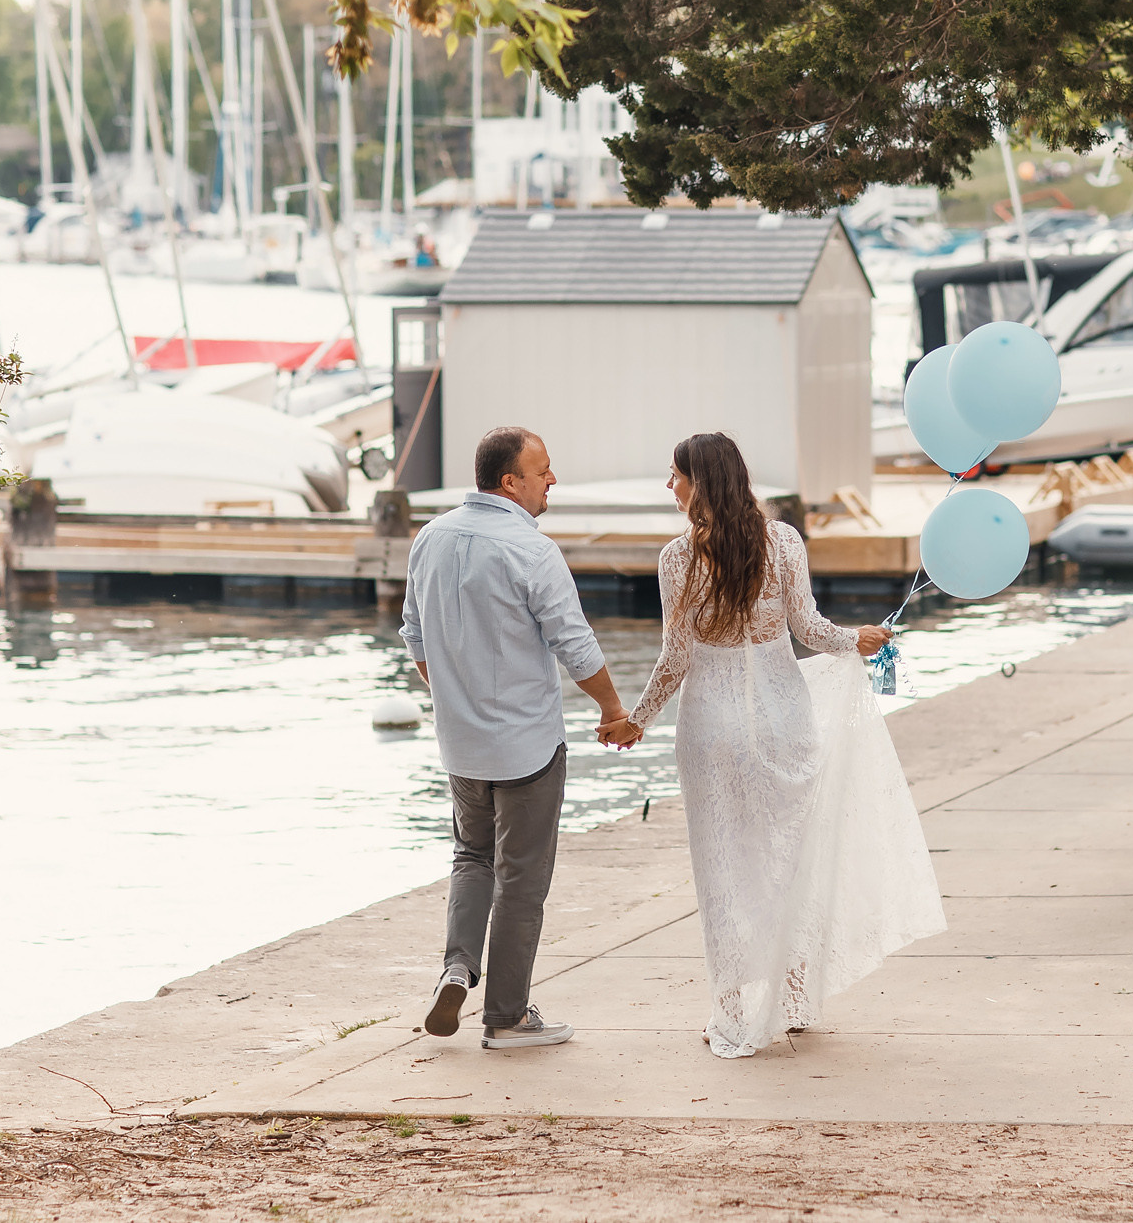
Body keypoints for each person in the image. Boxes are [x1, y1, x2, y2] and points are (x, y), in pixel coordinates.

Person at [622, 432, 946, 1058]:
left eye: (675, 476)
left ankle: (735, 1008)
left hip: (712, 728)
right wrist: (856, 638)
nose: (671, 487)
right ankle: (793, 998)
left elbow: (675, 657)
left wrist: (636, 720)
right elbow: (809, 629)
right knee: (786, 858)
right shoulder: (784, 542)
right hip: (783, 718)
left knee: (722, 866)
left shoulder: (677, 558)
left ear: (700, 483)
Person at [401, 425, 636, 1050]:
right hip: (526, 745)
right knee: (522, 878)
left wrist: (455, 697)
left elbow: (414, 636)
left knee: (471, 858)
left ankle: (457, 968)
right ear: (512, 482)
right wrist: (614, 708)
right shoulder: (531, 550)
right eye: (544, 470)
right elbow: (573, 642)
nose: (552, 479)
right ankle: (505, 1017)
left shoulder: (430, 537)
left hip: (461, 747)